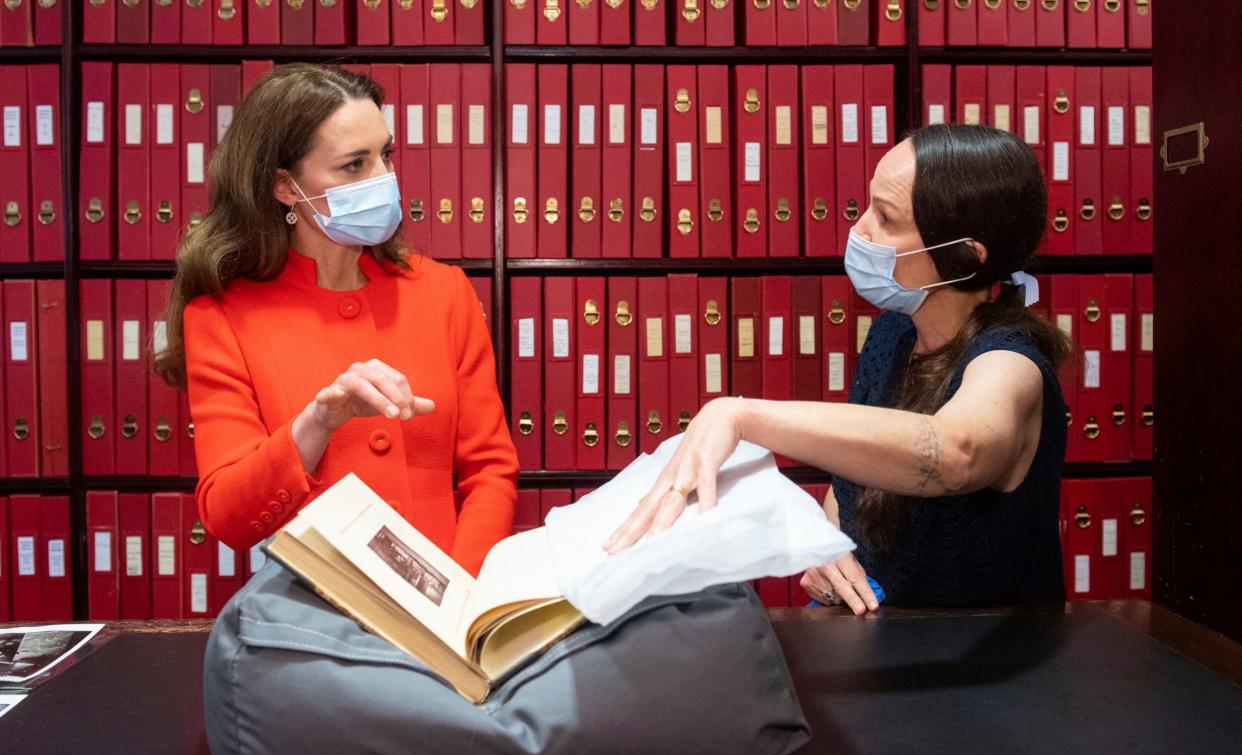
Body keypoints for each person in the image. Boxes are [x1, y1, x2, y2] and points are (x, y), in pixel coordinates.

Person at [606, 124, 1071, 613]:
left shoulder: (1011, 361)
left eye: (886, 219)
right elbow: (850, 486)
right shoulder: (893, 334)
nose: (860, 229)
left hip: (980, 669)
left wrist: (744, 416)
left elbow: (957, 452)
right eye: (868, 205)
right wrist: (830, 545)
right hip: (878, 642)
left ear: (962, 256)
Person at [155, 63, 517, 576]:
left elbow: (490, 472)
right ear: (285, 187)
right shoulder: (221, 318)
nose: (383, 180)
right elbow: (228, 517)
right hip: (317, 621)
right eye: (354, 166)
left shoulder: (444, 293)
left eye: (385, 155)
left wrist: (460, 596)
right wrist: (317, 423)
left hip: (449, 612)